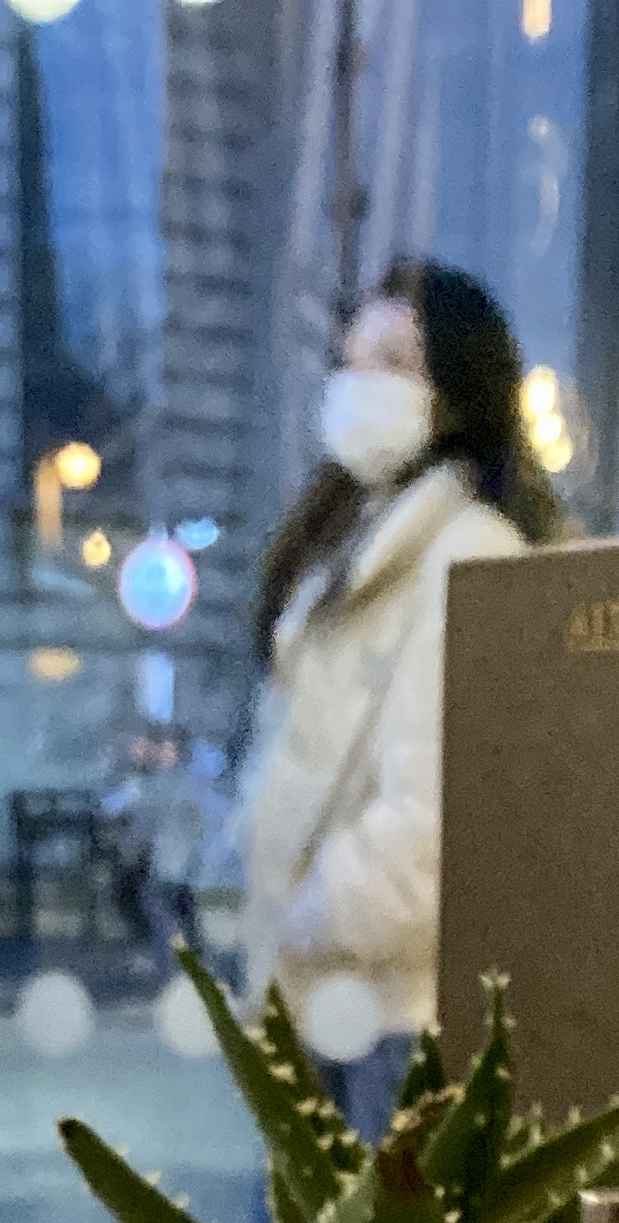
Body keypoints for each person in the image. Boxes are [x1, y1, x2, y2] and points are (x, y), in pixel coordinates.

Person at [239, 263, 559, 1139]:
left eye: (394, 362)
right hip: (321, 989)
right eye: (351, 360)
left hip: (393, 1008)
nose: (359, 385)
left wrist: (300, 915)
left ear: (457, 390)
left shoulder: (471, 555)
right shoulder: (352, 541)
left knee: (371, 1220)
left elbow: (434, 820)